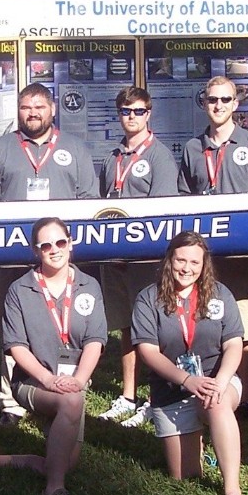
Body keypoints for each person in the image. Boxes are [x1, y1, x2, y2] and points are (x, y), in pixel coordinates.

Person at [0, 83, 97, 427]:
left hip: (58, 256)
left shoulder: (76, 149)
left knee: (62, 322)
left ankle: (68, 386)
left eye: (40, 106)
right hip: (14, 256)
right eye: (26, 107)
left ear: (53, 109)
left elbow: (89, 201)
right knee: (13, 325)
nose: (33, 113)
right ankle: (10, 402)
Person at [0, 217, 105, 495]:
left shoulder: (89, 285)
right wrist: (48, 379)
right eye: (46, 245)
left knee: (66, 461)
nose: (54, 249)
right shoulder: (19, 290)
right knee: (71, 403)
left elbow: (95, 341)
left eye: (60, 242)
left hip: (73, 381)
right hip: (32, 381)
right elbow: (17, 347)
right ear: (36, 251)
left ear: (71, 244)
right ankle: (54, 489)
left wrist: (79, 380)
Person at [177, 75, 248, 418]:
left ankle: (246, 398)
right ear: (203, 103)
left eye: (225, 100)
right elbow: (183, 199)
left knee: (247, 326)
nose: (217, 106)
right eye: (211, 100)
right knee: (206, 321)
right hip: (203, 259)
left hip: (244, 257)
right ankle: (203, 385)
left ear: (236, 104)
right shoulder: (193, 148)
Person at [132, 231, 246, 495]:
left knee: (217, 404)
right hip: (172, 387)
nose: (187, 268)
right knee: (184, 475)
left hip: (217, 380)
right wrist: (187, 380)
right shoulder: (148, 298)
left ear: (204, 264)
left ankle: (232, 490)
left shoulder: (220, 294)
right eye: (181, 260)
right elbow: (148, 351)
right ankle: (201, 440)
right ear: (169, 259)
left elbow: (234, 344)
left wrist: (219, 381)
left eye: (195, 263)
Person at [95, 85, 179, 427]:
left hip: (146, 260)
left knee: (154, 328)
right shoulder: (112, 157)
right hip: (115, 259)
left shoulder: (159, 156)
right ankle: (128, 394)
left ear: (149, 114)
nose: (132, 117)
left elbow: (162, 213)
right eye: (126, 112)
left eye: (139, 111)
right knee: (127, 327)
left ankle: (156, 395)